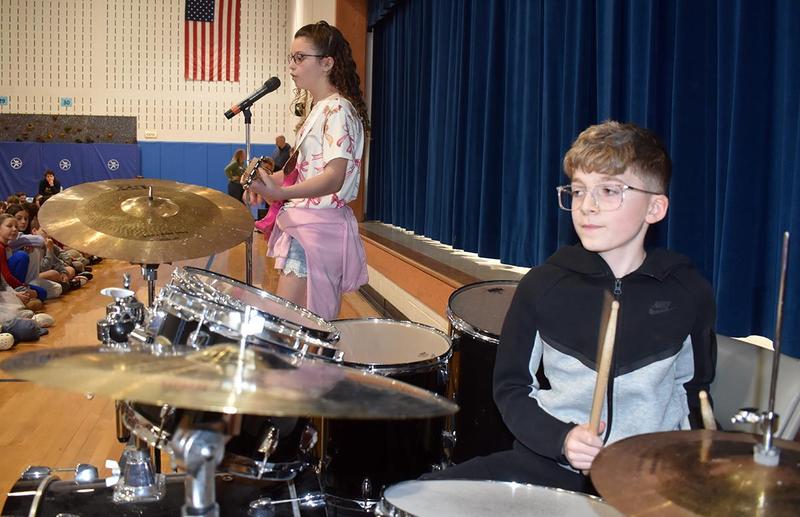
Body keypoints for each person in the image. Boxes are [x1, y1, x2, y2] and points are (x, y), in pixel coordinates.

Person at [423, 121, 717, 494]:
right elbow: (511, 388)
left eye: (609, 190)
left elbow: (695, 393)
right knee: (424, 496)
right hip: (551, 465)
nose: (587, 206)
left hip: (645, 478)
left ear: (655, 207)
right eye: (578, 191)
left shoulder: (688, 292)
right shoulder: (543, 285)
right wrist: (561, 439)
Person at [246, 20, 370, 320]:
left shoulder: (337, 109)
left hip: (318, 228)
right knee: (296, 325)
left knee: (291, 326)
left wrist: (281, 192)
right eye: (291, 57)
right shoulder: (319, 109)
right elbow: (299, 172)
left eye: (300, 58)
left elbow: (333, 176)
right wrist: (262, 182)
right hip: (306, 226)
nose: (291, 65)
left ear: (327, 63)